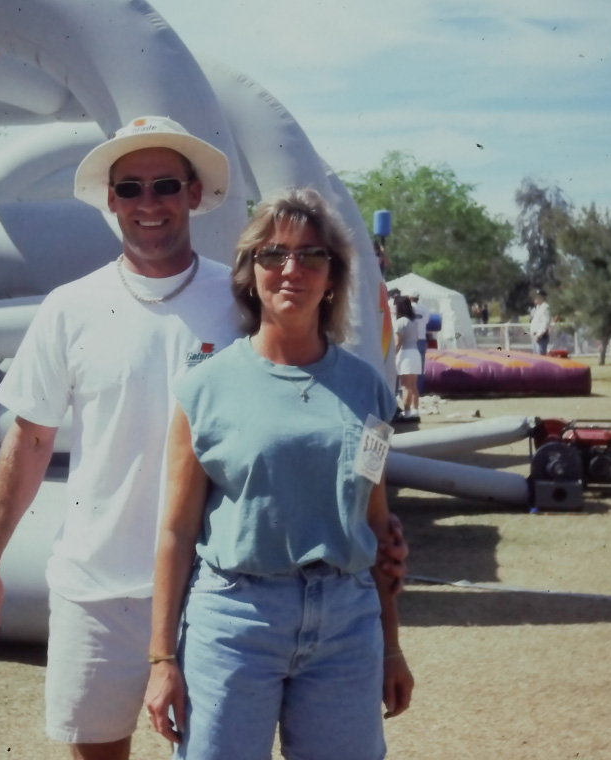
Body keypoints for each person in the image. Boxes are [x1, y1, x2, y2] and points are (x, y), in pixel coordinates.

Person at [0, 117, 408, 760]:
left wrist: (371, 529)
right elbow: (28, 443)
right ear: (110, 199)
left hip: (219, 591)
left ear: (194, 193)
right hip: (98, 585)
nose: (149, 203)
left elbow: (310, 416)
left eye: (166, 184)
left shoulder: (245, 299)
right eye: (130, 188)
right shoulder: (69, 308)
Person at [144, 188, 413, 759]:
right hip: (235, 623)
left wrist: (391, 646)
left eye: (311, 255)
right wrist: (162, 659)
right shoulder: (204, 389)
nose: (292, 269)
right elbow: (175, 532)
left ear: (333, 276)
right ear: (251, 272)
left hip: (347, 626)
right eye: (273, 254)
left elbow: (375, 523)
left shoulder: (367, 391)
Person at [394, 295, 423, 419]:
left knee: (405, 386)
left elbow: (398, 343)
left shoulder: (400, 322)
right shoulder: (413, 322)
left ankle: (406, 412)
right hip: (415, 353)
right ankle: (415, 411)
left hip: (405, 354)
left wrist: (392, 355)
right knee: (413, 385)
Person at [530, 289, 551, 355]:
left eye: (536, 297)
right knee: (535, 357)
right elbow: (535, 322)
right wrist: (532, 334)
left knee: (540, 357)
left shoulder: (545, 308)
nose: (534, 299)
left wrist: (539, 335)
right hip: (535, 336)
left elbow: (545, 323)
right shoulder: (538, 308)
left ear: (541, 297)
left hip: (541, 337)